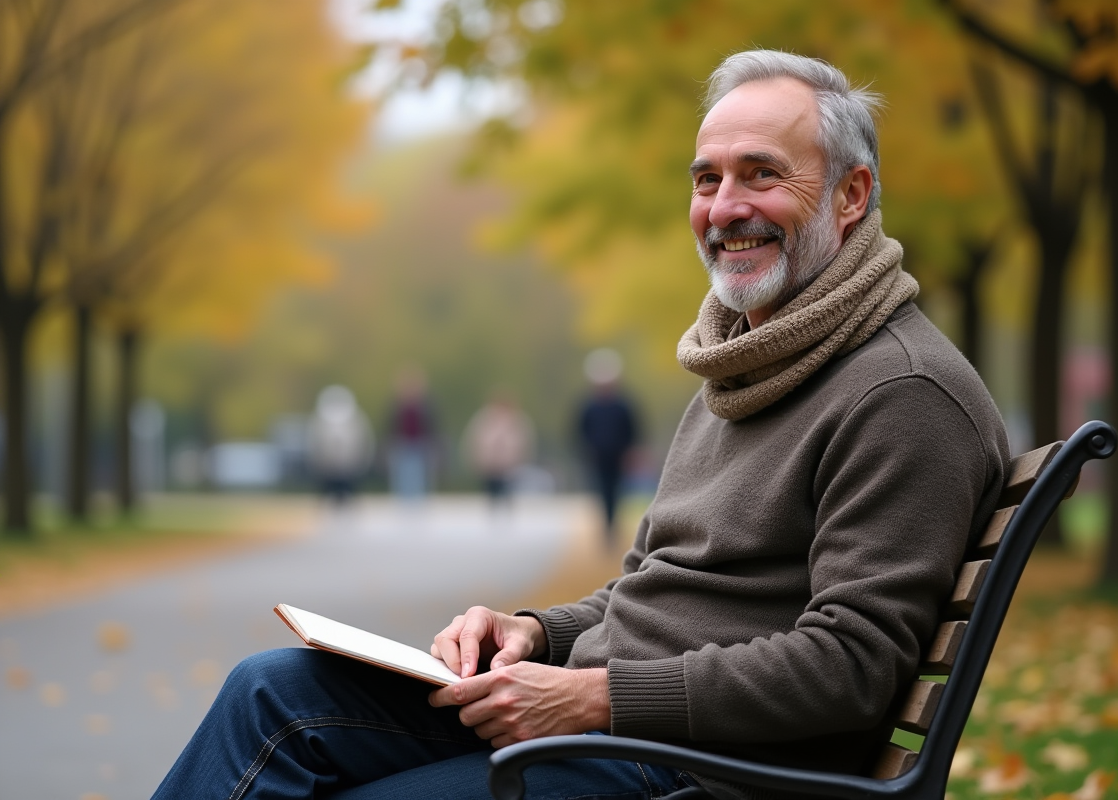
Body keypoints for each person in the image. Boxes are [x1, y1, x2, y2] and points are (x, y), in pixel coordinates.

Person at [152, 50, 1010, 800]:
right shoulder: (751, 362)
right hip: (620, 727)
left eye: (760, 173)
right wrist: (534, 632)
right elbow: (652, 587)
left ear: (851, 194)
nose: (724, 206)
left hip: (705, 768)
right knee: (272, 694)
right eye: (706, 179)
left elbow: (852, 666)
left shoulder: (900, 391)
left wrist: (596, 695)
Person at [576, 348, 640, 548]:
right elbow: (580, 431)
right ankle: (606, 528)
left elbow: (632, 430)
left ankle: (612, 528)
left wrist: (630, 452)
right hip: (598, 458)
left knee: (616, 492)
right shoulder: (589, 406)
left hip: (618, 457)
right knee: (602, 492)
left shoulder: (623, 405)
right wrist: (586, 450)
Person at [461, 390, 535, 510]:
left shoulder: (517, 420)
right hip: (490, 467)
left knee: (508, 496)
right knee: (491, 497)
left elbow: (525, 443)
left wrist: (520, 461)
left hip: (510, 467)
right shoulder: (484, 419)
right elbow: (475, 441)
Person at [306, 385, 375, 505]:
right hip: (328, 468)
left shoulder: (356, 420)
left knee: (348, 496)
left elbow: (365, 442)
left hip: (349, 467)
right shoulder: (320, 421)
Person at [386, 367, 438, 501]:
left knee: (419, 477)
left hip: (420, 445)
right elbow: (390, 426)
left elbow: (432, 426)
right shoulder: (396, 404)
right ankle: (403, 502)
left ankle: (418, 503)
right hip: (402, 445)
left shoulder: (426, 404)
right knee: (402, 477)